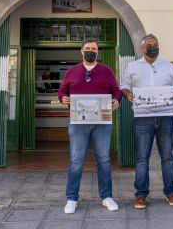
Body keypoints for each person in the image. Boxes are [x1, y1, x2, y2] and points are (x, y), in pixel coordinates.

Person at [120, 34, 173, 209]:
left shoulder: (168, 66)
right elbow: (123, 86)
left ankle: (170, 192)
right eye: (149, 45)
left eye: (155, 44)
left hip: (165, 117)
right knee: (142, 158)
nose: (153, 47)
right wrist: (128, 95)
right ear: (142, 48)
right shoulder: (132, 66)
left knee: (167, 158)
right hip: (142, 118)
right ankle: (141, 195)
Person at [58, 39, 122, 214]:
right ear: (81, 51)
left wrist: (117, 99)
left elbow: (116, 90)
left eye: (93, 49)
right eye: (87, 48)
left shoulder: (106, 71)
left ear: (98, 52)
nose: (90, 51)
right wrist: (63, 98)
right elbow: (62, 91)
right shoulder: (72, 71)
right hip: (78, 123)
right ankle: (71, 198)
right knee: (76, 160)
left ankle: (107, 196)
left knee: (103, 160)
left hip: (102, 122)